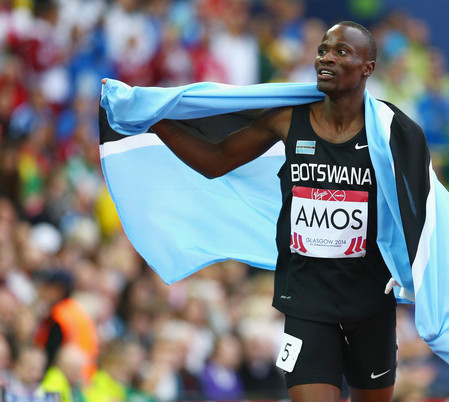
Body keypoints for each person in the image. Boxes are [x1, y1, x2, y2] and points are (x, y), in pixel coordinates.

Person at [144, 21, 397, 402]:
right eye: (323, 49)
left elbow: (422, 210)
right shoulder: (288, 120)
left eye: (341, 52)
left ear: (368, 67)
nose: (326, 57)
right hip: (306, 303)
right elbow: (215, 160)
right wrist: (152, 120)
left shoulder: (392, 132)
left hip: (370, 304)